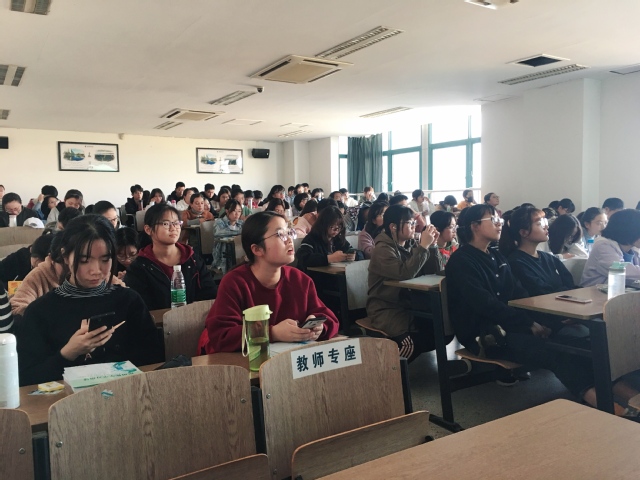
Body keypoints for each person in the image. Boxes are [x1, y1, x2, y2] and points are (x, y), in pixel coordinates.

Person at [446, 205, 640, 410]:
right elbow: (486, 304)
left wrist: (537, 322)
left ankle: (633, 399)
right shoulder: (462, 261)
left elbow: (519, 295)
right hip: (486, 335)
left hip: (510, 327)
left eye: (499, 220)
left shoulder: (496, 257)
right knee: (559, 353)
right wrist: (529, 323)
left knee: (581, 348)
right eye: (492, 220)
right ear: (475, 226)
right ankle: (614, 410)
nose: (499, 224)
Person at [15, 215, 163, 386]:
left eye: (105, 259)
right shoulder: (41, 311)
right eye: (84, 260)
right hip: (66, 401)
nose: (96, 270)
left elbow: (154, 360)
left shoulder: (129, 301)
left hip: (126, 394)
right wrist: (68, 353)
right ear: (65, 256)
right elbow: (26, 377)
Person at [205, 211, 339, 352]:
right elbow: (222, 335)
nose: (289, 240)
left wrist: (319, 327)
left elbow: (330, 319)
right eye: (280, 234)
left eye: (289, 232)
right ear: (257, 249)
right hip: (247, 362)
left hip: (288, 360)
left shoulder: (300, 279)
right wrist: (272, 333)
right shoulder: (234, 283)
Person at [366, 205, 444, 361]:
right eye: (409, 223)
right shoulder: (382, 249)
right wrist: (423, 247)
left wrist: (432, 246)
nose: (414, 227)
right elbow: (404, 273)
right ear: (393, 227)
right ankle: (390, 372)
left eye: (414, 223)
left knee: (443, 331)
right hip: (387, 308)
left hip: (411, 305)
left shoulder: (410, 245)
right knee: (410, 344)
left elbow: (435, 271)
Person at [124, 204, 217, 311]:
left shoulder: (193, 259)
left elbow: (210, 295)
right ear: (148, 229)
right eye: (166, 224)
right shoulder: (139, 267)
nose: (173, 228)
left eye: (176, 223)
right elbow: (140, 308)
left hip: (195, 318)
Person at [499, 206, 576, 297]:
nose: (546, 226)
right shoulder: (516, 263)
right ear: (524, 232)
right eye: (540, 224)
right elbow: (541, 291)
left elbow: (570, 284)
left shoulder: (549, 258)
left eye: (545, 222)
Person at [581, 208, 640, 286]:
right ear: (630, 231)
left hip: (620, 291)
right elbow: (619, 270)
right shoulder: (603, 245)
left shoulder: (633, 249)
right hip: (593, 292)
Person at [295, 206, 356, 273]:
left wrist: (354, 256)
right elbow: (303, 257)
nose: (336, 231)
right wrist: (330, 258)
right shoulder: (312, 238)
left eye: (339, 228)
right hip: (314, 276)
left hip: (333, 274)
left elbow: (356, 251)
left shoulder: (337, 239)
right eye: (332, 227)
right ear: (323, 225)